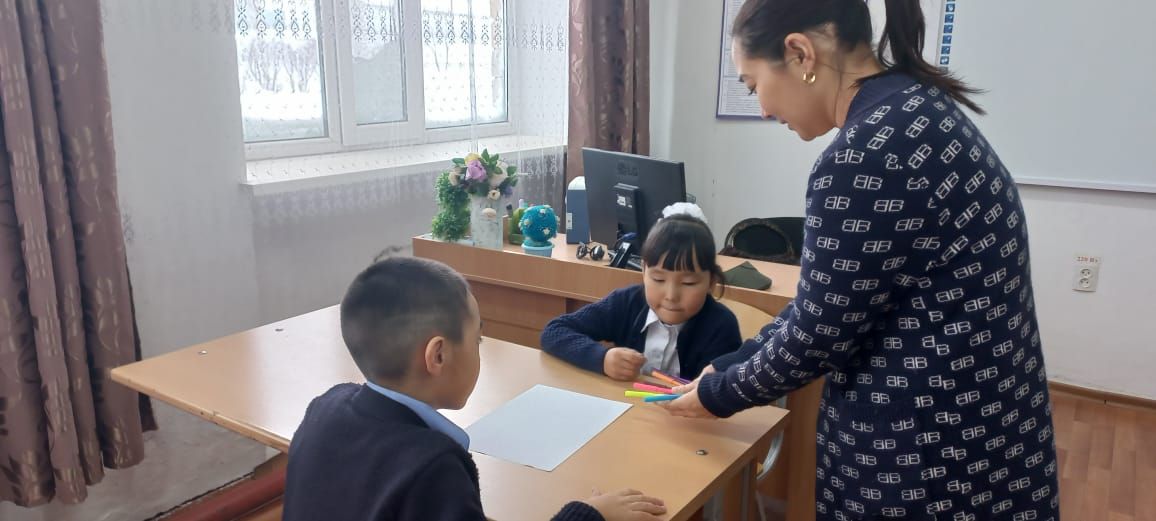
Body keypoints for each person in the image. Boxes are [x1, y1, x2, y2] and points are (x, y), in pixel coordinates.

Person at [661, 1, 1059, 520]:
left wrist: (717, 393)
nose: (762, 110)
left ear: (800, 53)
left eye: (754, 85)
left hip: (925, 455)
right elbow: (831, 303)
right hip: (987, 426)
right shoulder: (918, 108)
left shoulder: (865, 154)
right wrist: (736, 360)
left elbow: (818, 335)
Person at [283, 257, 667, 521]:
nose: (479, 350)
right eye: (477, 339)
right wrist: (590, 513)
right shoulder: (433, 467)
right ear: (438, 355)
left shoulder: (324, 407)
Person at [541, 203, 742, 381]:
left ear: (711, 282)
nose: (671, 295)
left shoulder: (721, 326)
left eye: (688, 283)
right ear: (644, 271)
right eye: (659, 279)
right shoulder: (626, 303)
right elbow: (554, 331)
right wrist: (602, 358)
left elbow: (728, 388)